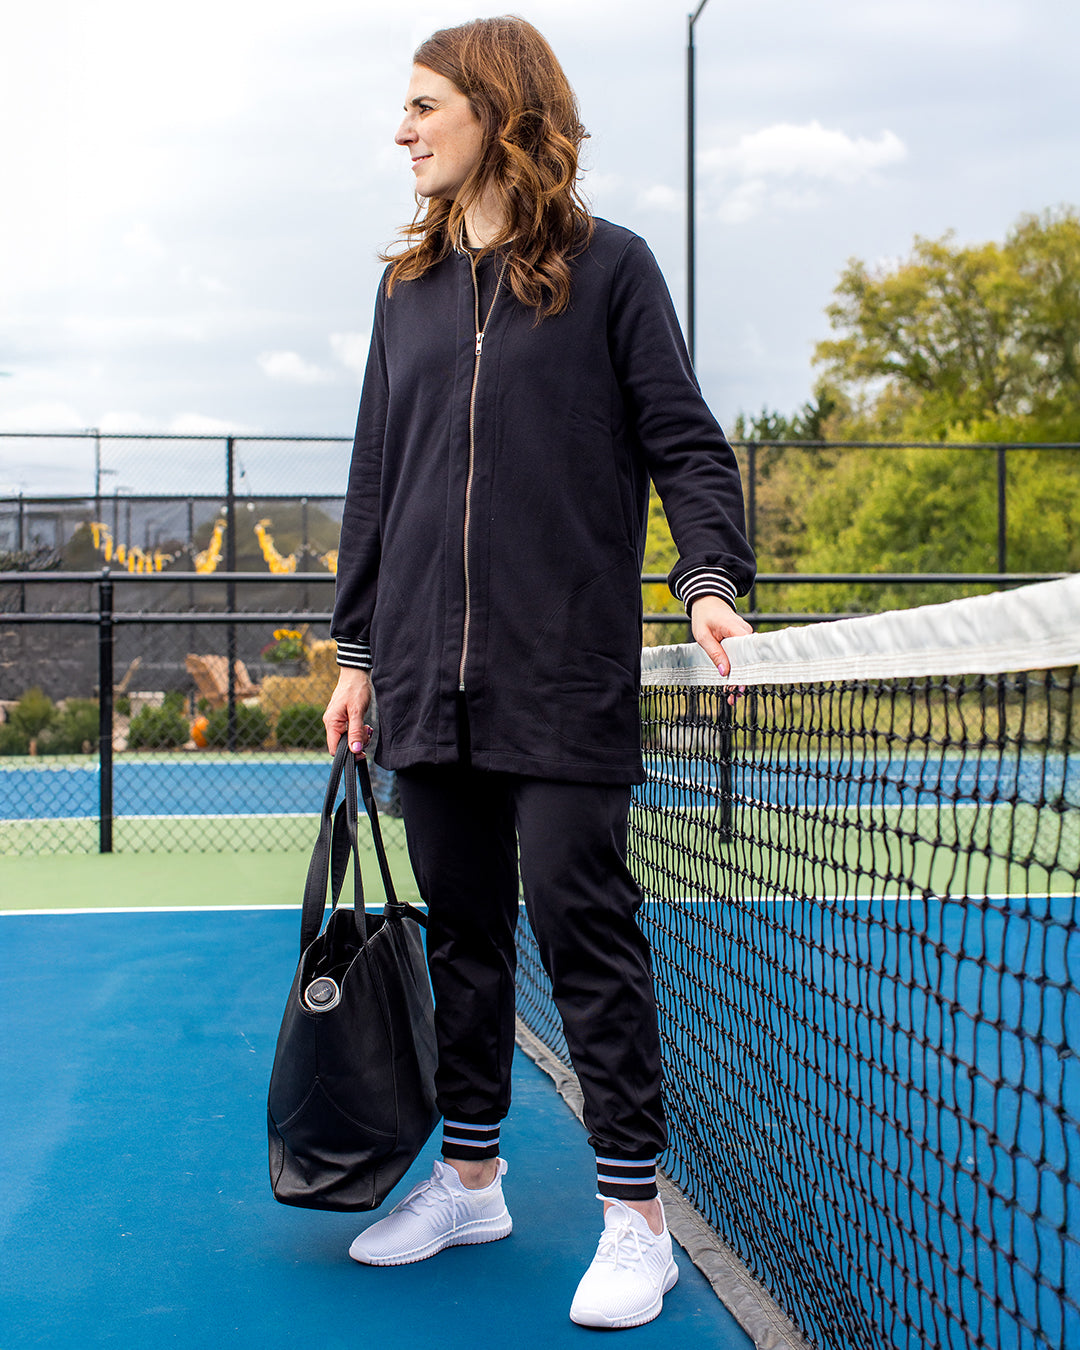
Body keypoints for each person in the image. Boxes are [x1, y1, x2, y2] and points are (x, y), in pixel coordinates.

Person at [323, 15, 755, 1330]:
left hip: (563, 675)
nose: (401, 130)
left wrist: (711, 585)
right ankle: (469, 1175)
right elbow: (375, 479)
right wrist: (355, 651)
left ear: (497, 109)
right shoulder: (403, 292)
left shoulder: (613, 272)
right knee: (463, 936)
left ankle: (638, 1220)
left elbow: (686, 445)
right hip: (422, 680)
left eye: (421, 106)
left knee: (585, 936)